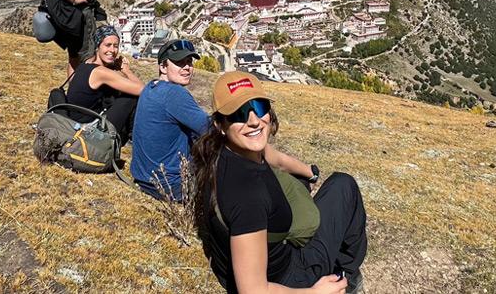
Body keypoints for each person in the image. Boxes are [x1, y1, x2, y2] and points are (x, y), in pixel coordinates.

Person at [191, 72, 367, 294]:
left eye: (259, 106)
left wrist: (309, 173)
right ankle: (346, 278)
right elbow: (253, 291)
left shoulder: (223, 151)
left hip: (268, 254)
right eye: (239, 113)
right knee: (344, 186)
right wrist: (314, 292)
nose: (254, 120)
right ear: (220, 124)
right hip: (290, 277)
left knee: (310, 185)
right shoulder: (247, 195)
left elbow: (275, 158)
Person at [130, 39, 210, 200]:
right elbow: (209, 129)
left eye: (189, 62)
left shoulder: (150, 87)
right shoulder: (174, 94)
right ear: (163, 67)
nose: (187, 67)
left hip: (144, 178)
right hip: (171, 185)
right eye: (179, 62)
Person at [66, 26, 143, 142]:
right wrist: (126, 71)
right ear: (97, 46)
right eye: (107, 45)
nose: (112, 50)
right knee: (131, 97)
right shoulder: (100, 72)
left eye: (116, 46)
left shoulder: (86, 64)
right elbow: (142, 90)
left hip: (76, 126)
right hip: (89, 132)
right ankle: (134, 138)